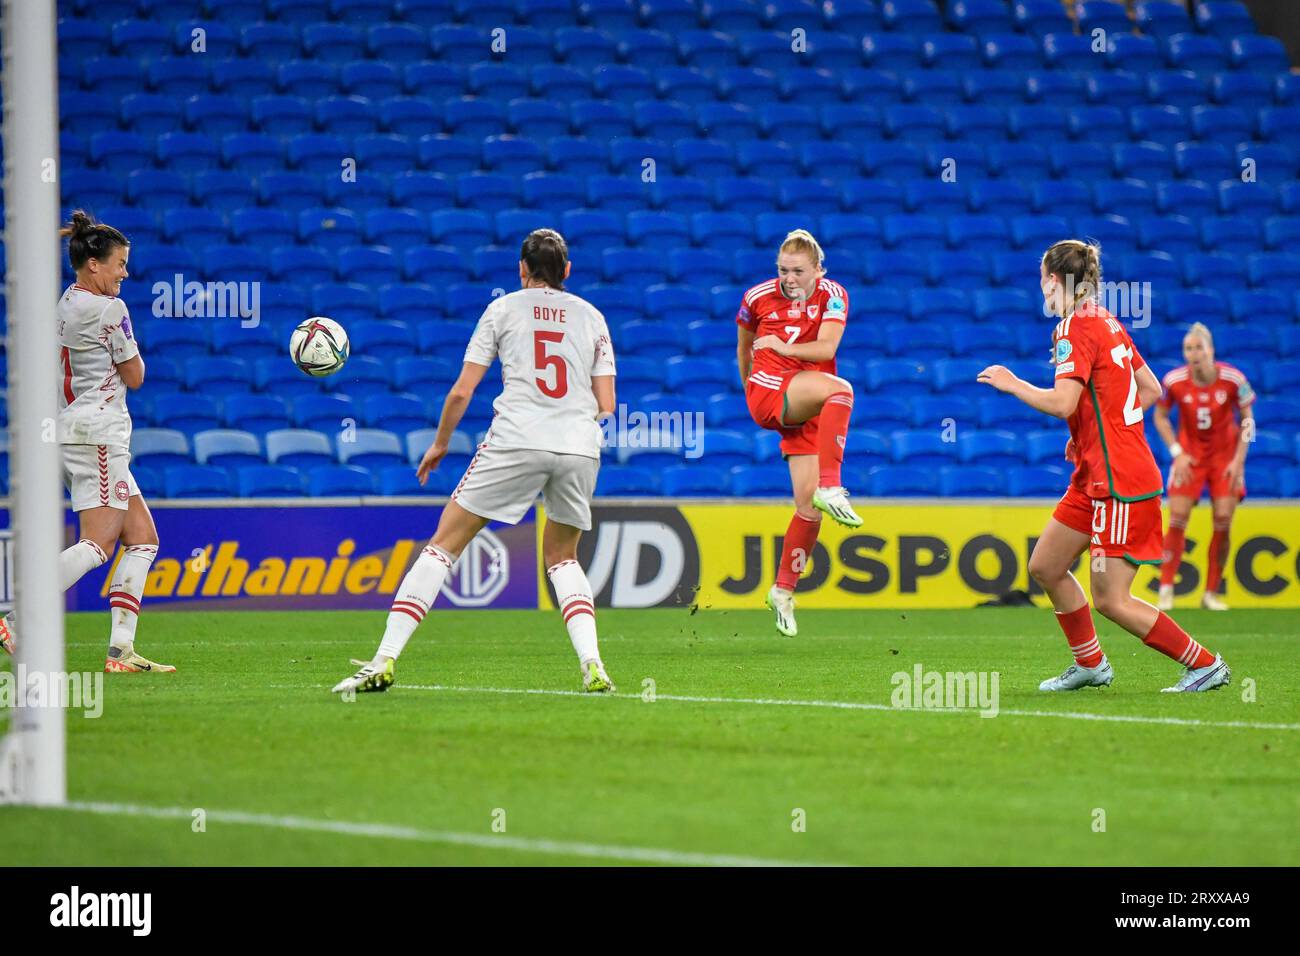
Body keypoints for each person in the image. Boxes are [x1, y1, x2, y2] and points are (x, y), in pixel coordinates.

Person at [333, 229, 616, 695]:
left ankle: (383, 660)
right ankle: (593, 665)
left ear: (521, 270)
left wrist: (441, 443)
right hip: (579, 445)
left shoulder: (502, 308)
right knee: (563, 557)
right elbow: (607, 402)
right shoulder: (593, 317)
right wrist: (579, 436)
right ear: (567, 271)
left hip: (517, 439)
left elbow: (463, 390)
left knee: (444, 544)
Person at [977, 240, 1229, 693]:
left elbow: (1063, 401)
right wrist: (1091, 438)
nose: (1041, 289)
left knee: (1111, 599)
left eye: (1042, 280)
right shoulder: (1108, 320)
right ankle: (1091, 664)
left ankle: (1205, 663)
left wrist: (1012, 384)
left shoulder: (1074, 328)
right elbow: (1149, 389)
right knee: (1047, 565)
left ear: (1054, 280)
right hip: (1096, 472)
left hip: (1118, 481)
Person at [0, 210, 172, 673]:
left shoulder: (68, 299)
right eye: (119, 263)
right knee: (97, 545)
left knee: (142, 539)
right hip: (96, 435)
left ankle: (121, 651)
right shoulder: (108, 309)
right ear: (94, 264)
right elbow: (136, 376)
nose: (125, 273)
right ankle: (14, 618)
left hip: (74, 431)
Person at [736, 229, 858, 638]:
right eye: (782, 270)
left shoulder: (833, 294)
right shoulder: (757, 298)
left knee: (808, 509)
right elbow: (745, 347)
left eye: (798, 271)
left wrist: (785, 349)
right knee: (842, 390)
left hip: (808, 401)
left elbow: (826, 348)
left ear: (819, 271)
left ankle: (782, 590)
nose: (788, 278)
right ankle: (833, 485)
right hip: (772, 390)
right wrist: (751, 387)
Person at [1153, 323, 1255, 611]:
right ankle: (1166, 590)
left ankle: (1210, 593)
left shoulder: (1233, 379)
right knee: (1177, 517)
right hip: (1191, 458)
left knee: (1223, 519)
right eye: (1188, 348)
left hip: (1225, 459)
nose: (1193, 353)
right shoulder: (1173, 381)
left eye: (1199, 347)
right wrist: (1177, 452)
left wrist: (1239, 461)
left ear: (1211, 350)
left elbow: (1248, 420)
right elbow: (1160, 417)